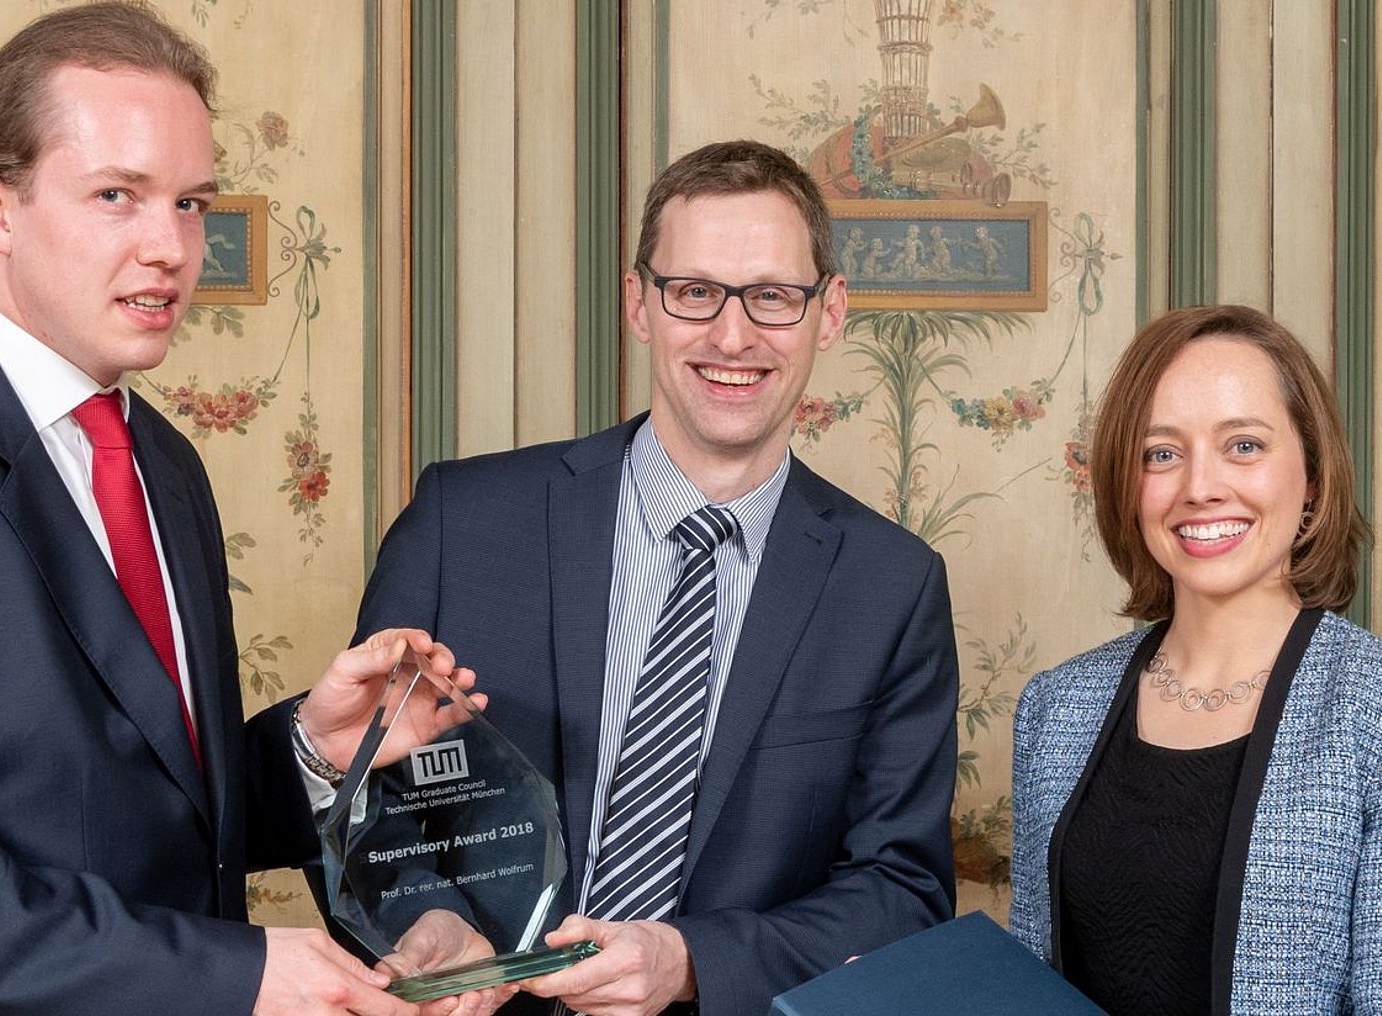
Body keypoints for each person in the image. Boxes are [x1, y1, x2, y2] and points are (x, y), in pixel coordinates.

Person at [0, 5, 482, 1014]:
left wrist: (313, 746)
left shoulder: (163, 462)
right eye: (115, 196)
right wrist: (242, 972)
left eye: (189, 203)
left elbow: (158, 812)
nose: (170, 248)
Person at [349, 139, 960, 1016]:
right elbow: (362, 790)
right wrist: (431, 914)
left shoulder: (891, 586)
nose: (733, 335)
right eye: (696, 292)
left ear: (830, 314)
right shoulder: (462, 523)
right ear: (640, 303)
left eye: (774, 298)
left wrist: (686, 961)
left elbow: (903, 891)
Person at [1009, 305, 1382, 1015]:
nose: (1200, 486)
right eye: (1160, 453)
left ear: (1312, 474)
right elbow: (1027, 990)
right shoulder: (1055, 707)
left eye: (1245, 446)